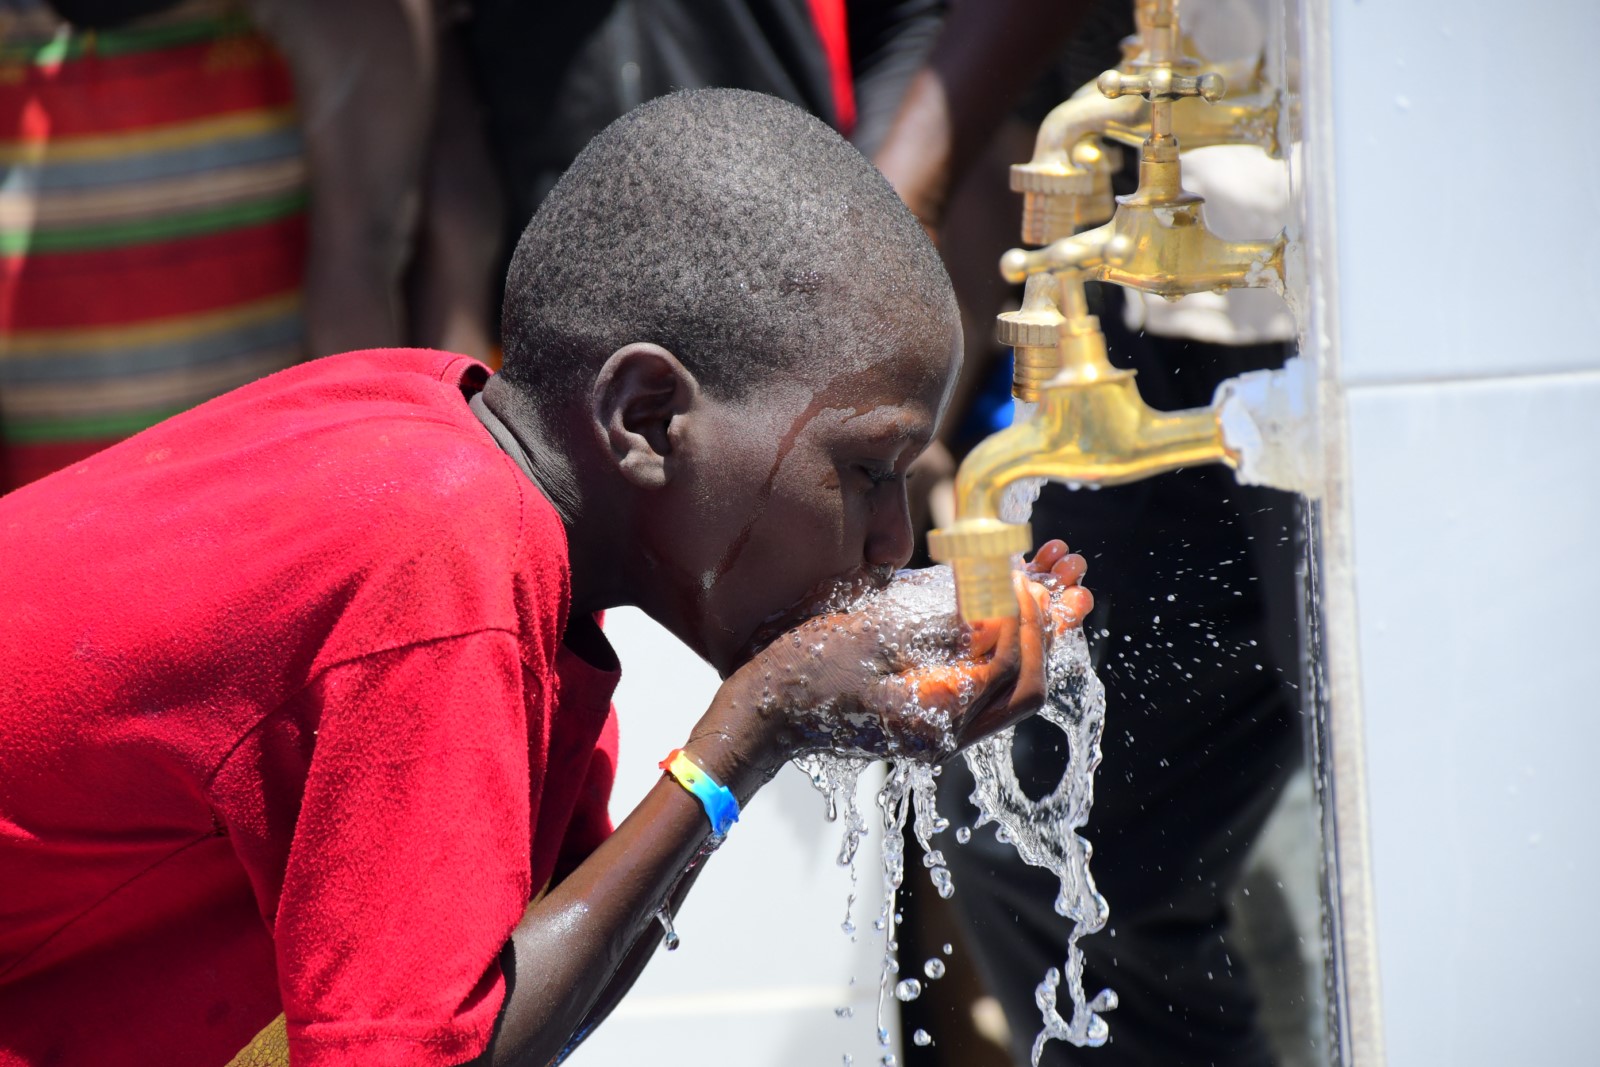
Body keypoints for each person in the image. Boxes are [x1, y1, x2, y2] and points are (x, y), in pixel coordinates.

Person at [0, 89, 1093, 1067]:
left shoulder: (447, 446)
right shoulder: (435, 562)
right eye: (865, 471)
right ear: (648, 418)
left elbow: (517, 989)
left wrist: (770, 729)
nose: (893, 543)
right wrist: (751, 726)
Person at [874, 3, 1307, 1064]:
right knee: (1034, 839)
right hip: (1174, 287)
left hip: (1394, 289)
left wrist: (907, 185)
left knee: (1420, 802)